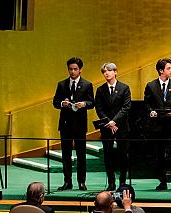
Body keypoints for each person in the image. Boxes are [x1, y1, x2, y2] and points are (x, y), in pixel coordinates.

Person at [52, 57, 94, 191]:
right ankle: (67, 181)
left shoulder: (87, 85)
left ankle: (82, 181)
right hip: (65, 124)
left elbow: (92, 103)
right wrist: (61, 104)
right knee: (66, 155)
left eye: (75, 69)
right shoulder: (62, 84)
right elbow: (55, 102)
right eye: (70, 69)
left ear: (80, 70)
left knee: (81, 154)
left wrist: (84, 104)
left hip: (80, 125)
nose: (72, 71)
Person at [144, 58, 171, 191]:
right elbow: (146, 104)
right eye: (168, 68)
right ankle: (162, 181)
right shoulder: (151, 86)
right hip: (157, 126)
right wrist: (151, 112)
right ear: (161, 71)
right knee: (159, 155)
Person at [94, 62, 132, 191]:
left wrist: (114, 121)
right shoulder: (100, 90)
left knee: (123, 154)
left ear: (115, 72)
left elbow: (126, 107)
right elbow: (99, 108)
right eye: (104, 71)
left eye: (109, 70)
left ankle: (122, 181)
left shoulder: (124, 88)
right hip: (106, 127)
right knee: (108, 155)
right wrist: (109, 122)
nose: (106, 73)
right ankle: (111, 182)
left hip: (122, 127)